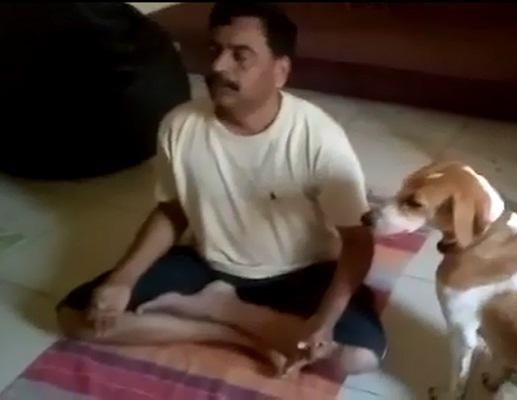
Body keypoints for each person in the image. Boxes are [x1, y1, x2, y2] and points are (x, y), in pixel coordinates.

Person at [56, 2, 386, 376]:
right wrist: (123, 279)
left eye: (240, 56)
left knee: (357, 357)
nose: (217, 66)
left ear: (280, 71)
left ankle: (217, 309)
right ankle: (228, 332)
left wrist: (324, 321)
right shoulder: (179, 125)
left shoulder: (318, 137)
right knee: (76, 317)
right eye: (215, 50)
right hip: (208, 264)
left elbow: (357, 240)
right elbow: (173, 210)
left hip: (302, 271)